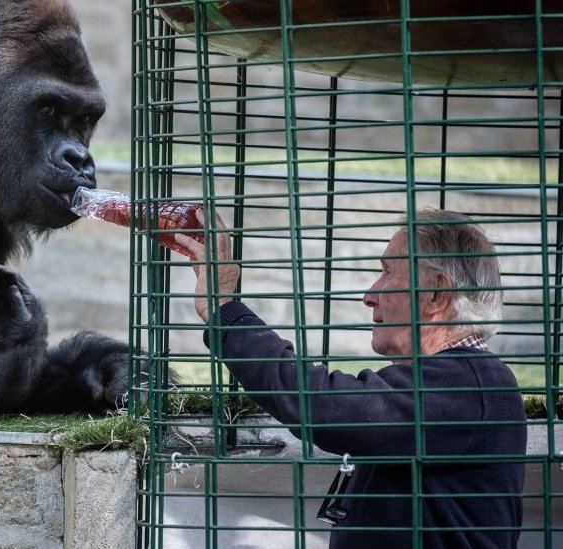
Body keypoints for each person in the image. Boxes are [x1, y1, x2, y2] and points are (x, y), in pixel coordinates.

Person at [174, 207, 527, 549]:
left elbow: (321, 404)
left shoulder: (469, 384)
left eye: (387, 272)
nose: (369, 296)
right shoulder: (458, 381)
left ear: (436, 293)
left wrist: (225, 310)